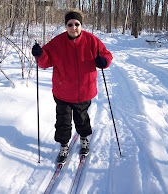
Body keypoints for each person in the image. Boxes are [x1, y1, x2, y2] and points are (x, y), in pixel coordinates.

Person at [32, 9, 113, 163]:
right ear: (66, 26)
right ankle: (63, 145)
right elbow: (45, 62)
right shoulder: (57, 42)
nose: (73, 27)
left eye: (77, 24)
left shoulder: (92, 41)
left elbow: (107, 55)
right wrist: (40, 54)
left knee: (82, 118)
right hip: (63, 92)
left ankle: (84, 139)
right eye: (70, 24)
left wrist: (104, 61)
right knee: (63, 120)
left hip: (84, 91)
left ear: (81, 25)